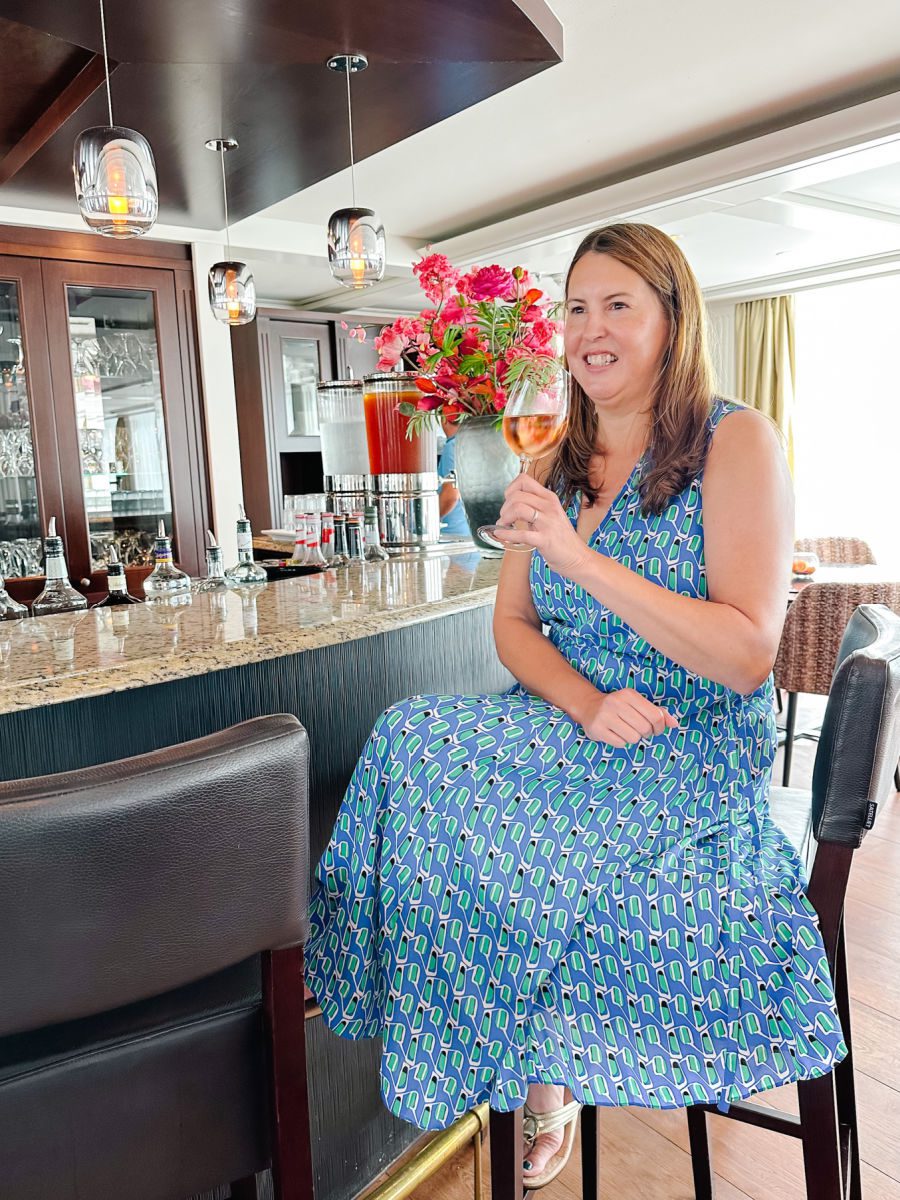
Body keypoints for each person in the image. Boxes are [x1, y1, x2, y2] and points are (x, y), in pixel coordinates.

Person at [304, 223, 845, 1189]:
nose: (591, 330)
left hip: (688, 741)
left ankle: (530, 1066)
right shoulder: (549, 457)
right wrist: (588, 703)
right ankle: (476, 1046)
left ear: (673, 321)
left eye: (619, 305)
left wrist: (579, 559)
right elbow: (511, 629)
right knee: (407, 738)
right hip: (578, 721)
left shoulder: (736, 439)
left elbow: (748, 652)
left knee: (501, 831)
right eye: (576, 307)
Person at [438, 415, 472, 538]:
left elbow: (451, 494)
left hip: (452, 532)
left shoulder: (452, 445)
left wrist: (428, 523)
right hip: (469, 532)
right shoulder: (470, 443)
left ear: (444, 419)